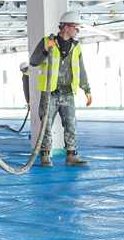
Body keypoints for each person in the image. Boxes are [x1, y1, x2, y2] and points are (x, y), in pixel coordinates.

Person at [29, 11, 92, 167]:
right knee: (46, 125)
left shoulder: (76, 47)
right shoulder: (47, 41)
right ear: (66, 27)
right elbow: (34, 62)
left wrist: (87, 89)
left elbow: (81, 69)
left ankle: (71, 156)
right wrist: (45, 50)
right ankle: (45, 155)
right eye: (76, 28)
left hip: (68, 93)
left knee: (71, 125)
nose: (78, 31)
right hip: (50, 93)